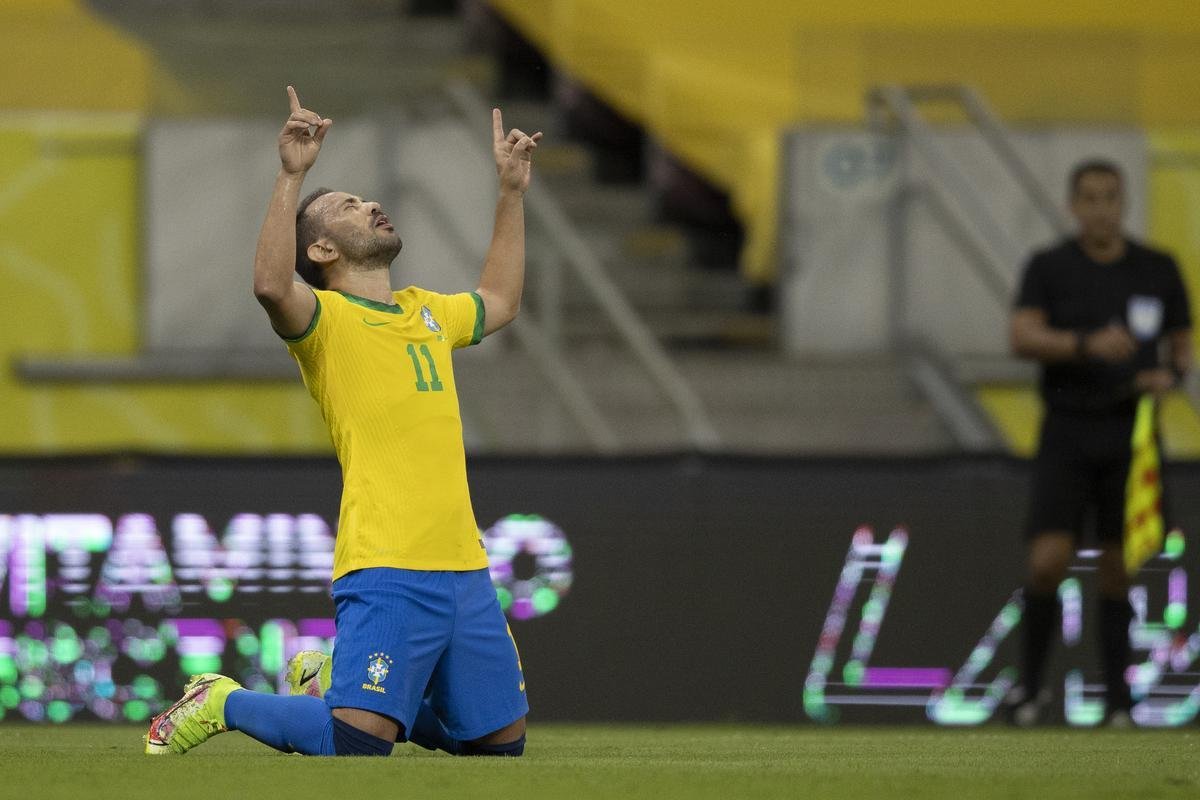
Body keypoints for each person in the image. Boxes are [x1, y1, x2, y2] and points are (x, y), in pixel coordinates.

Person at [144, 86, 541, 757]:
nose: (371, 205)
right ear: (323, 251)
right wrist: (293, 174)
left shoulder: (429, 313)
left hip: (465, 566)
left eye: (367, 199)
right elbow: (271, 285)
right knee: (355, 746)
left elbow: (499, 298)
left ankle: (341, 683)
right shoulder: (324, 324)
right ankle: (225, 700)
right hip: (386, 563)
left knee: (498, 751)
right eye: (348, 207)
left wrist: (510, 191)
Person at [1007, 159, 1192, 726]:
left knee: (1120, 567)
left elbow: (1181, 345)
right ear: (1073, 206)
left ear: (1123, 203)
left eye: (1110, 197)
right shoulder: (1050, 267)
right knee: (1048, 561)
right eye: (1089, 198)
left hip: (1131, 435)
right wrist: (1084, 344)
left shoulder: (1157, 268)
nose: (1100, 208)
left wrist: (1172, 377)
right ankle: (1029, 692)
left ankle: (1118, 703)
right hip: (1068, 428)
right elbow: (1022, 335)